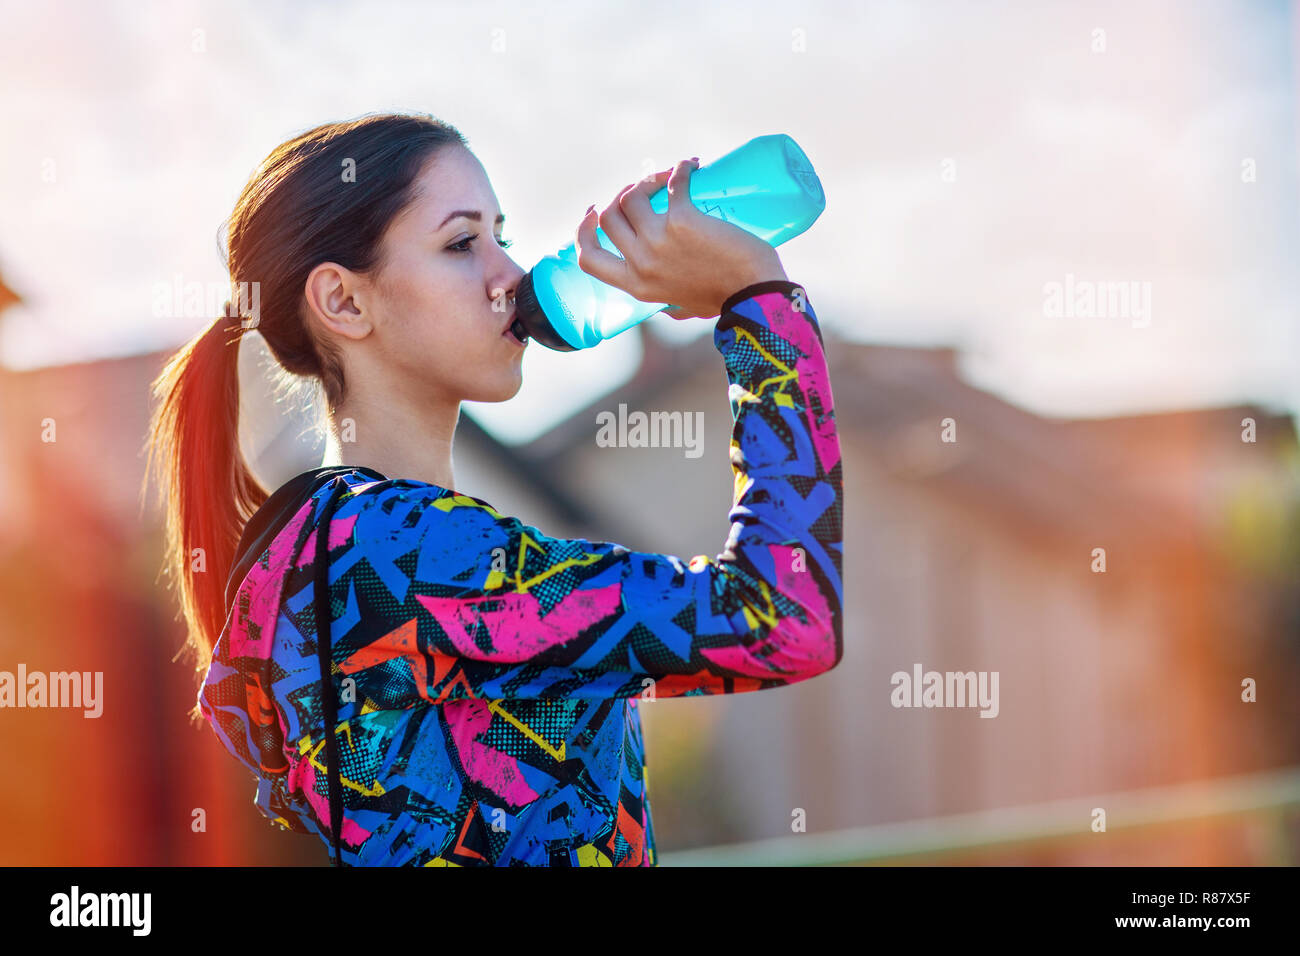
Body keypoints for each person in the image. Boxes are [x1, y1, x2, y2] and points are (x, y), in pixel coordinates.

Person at [144, 111, 843, 866]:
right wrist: (759, 304)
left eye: (501, 236)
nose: (509, 275)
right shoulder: (404, 551)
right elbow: (781, 617)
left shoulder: (345, 546)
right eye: (460, 242)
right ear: (344, 302)